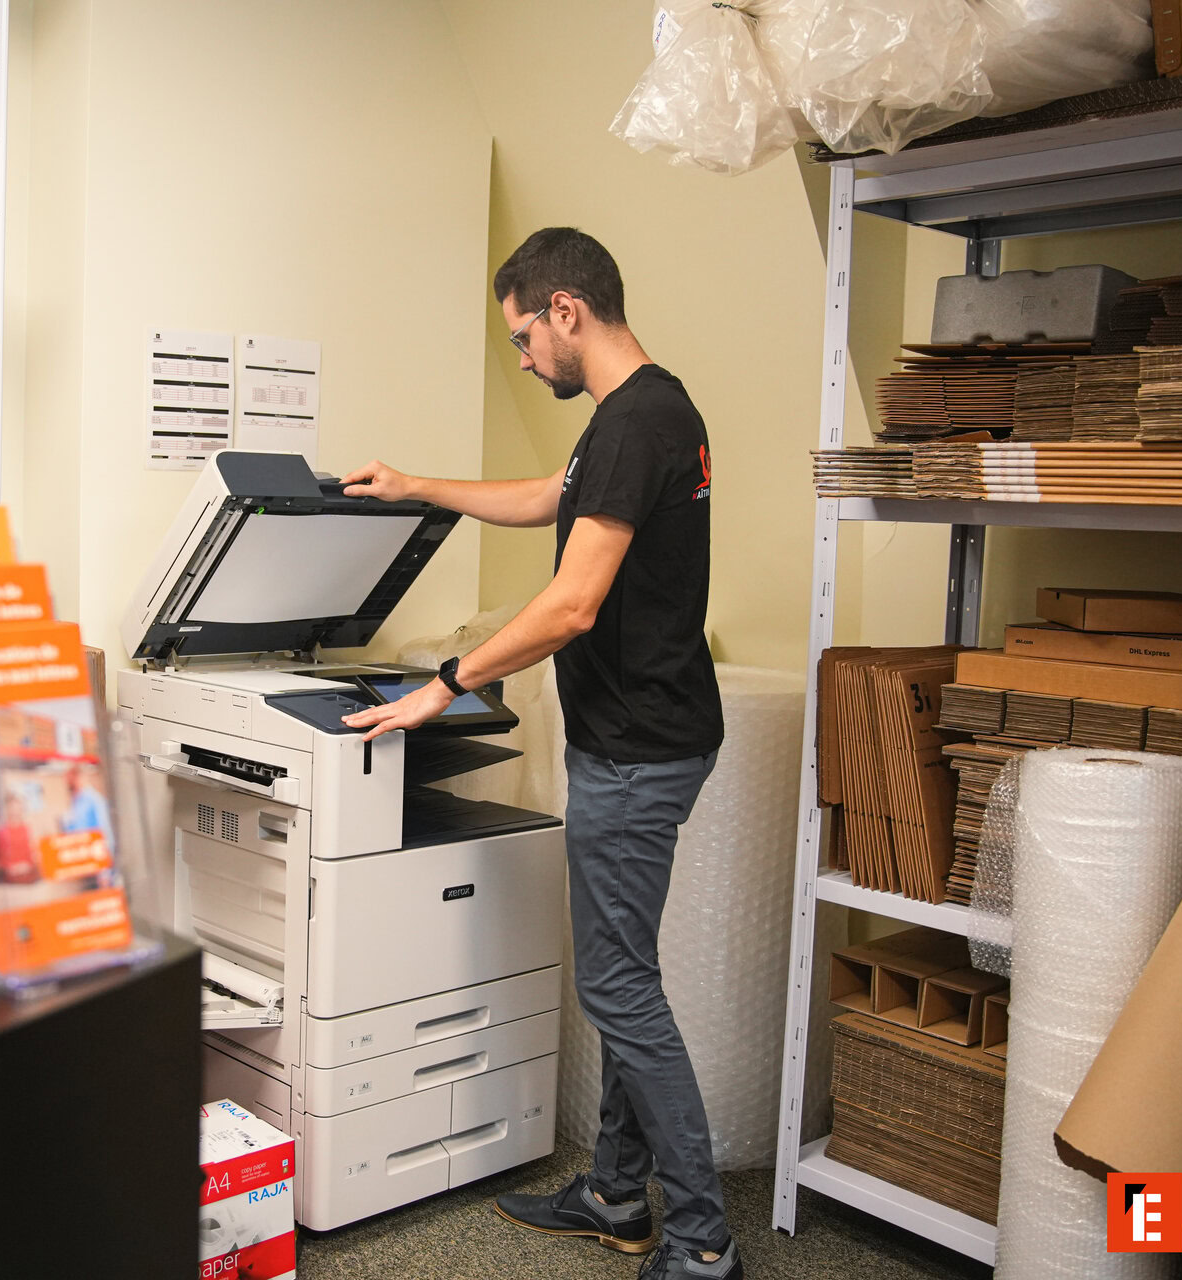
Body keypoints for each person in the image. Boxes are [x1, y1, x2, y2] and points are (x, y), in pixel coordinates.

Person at [340, 227, 737, 1280]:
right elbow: (544, 500)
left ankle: (700, 1238)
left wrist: (445, 681)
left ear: (567, 310)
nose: (520, 357)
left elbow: (570, 602)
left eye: (522, 336)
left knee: (617, 989)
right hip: (652, 734)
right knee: (624, 974)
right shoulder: (649, 409)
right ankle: (614, 1190)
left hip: (635, 749)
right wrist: (415, 483)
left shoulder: (631, 420)